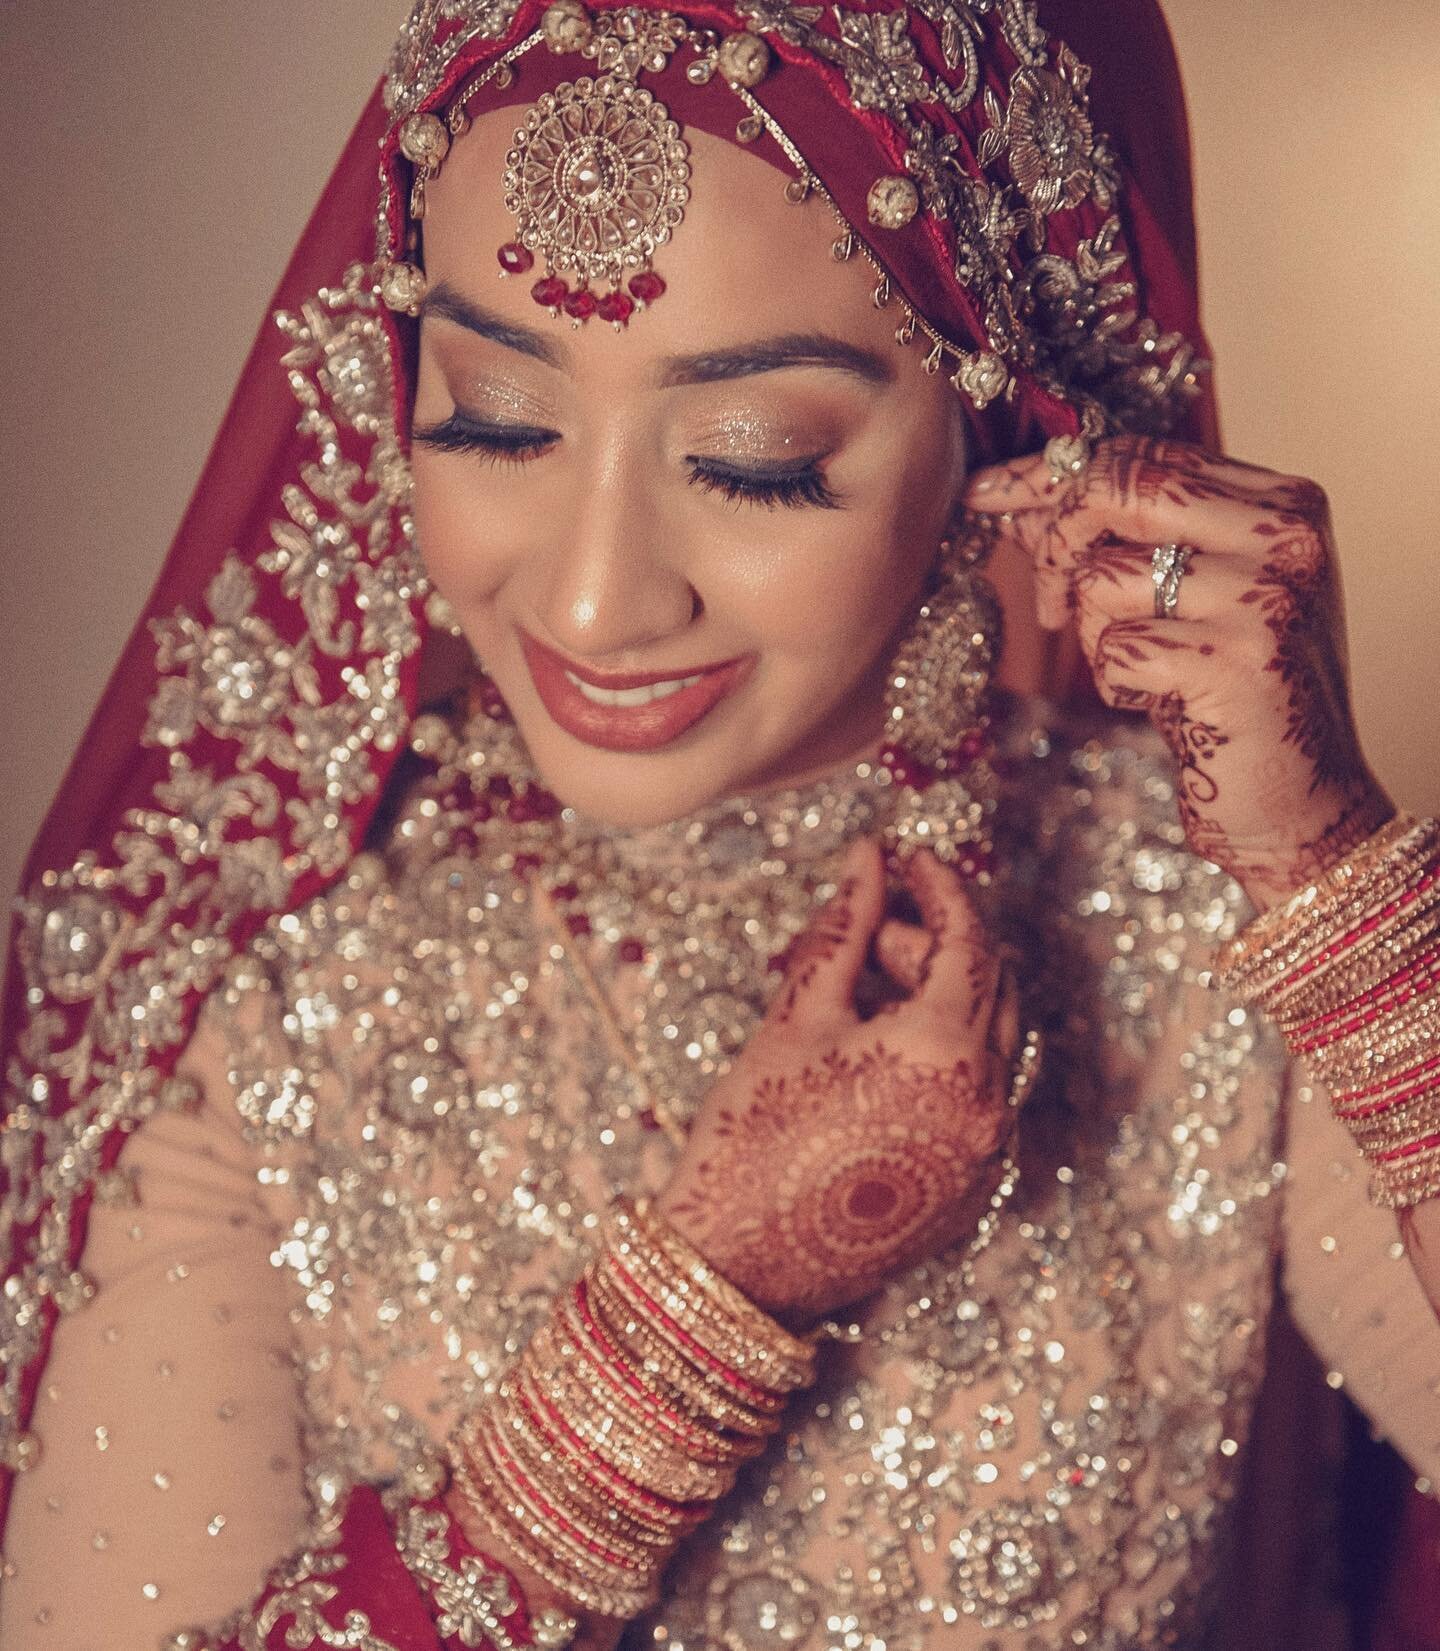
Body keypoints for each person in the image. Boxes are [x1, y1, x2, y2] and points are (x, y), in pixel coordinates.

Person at [1, 0, 1436, 1646]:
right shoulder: (266, 996)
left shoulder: (1195, 920)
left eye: (753, 460)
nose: (598, 600)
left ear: (1000, 433)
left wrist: (1332, 879)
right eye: (493, 417)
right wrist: (691, 1320)